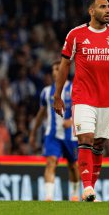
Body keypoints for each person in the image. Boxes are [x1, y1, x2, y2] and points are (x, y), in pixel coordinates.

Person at [53, 0, 109, 202]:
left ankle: (91, 188)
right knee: (85, 139)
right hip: (83, 97)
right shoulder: (76, 34)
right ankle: (87, 188)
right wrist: (57, 96)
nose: (108, 10)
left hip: (107, 99)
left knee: (99, 144)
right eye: (103, 7)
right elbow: (65, 65)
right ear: (91, 11)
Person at [29, 60, 80, 201]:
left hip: (71, 136)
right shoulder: (46, 92)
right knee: (50, 161)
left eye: (57, 69)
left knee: (73, 166)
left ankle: (75, 195)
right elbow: (41, 114)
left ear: (65, 70)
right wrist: (33, 132)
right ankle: (49, 197)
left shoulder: (74, 88)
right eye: (53, 69)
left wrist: (72, 121)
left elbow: (83, 109)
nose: (54, 72)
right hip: (52, 134)